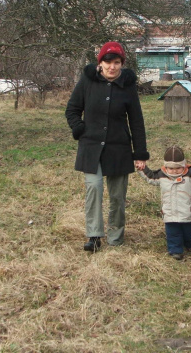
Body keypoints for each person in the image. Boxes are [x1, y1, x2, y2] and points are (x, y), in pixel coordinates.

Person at [66, 41, 149, 252]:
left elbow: (136, 121)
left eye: (117, 62)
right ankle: (93, 235)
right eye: (107, 62)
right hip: (91, 146)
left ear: (122, 64)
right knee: (93, 187)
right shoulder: (87, 81)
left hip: (119, 148)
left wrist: (140, 153)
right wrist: (80, 129)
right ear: (100, 62)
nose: (112, 67)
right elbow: (72, 110)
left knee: (117, 195)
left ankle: (116, 236)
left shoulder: (127, 85)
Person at [138, 146, 191, 260]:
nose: (174, 171)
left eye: (178, 168)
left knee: (189, 231)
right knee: (173, 233)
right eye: (170, 168)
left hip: (188, 213)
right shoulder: (161, 176)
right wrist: (141, 168)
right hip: (170, 213)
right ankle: (175, 250)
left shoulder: (190, 175)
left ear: (184, 166)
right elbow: (150, 177)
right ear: (165, 167)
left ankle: (188, 242)